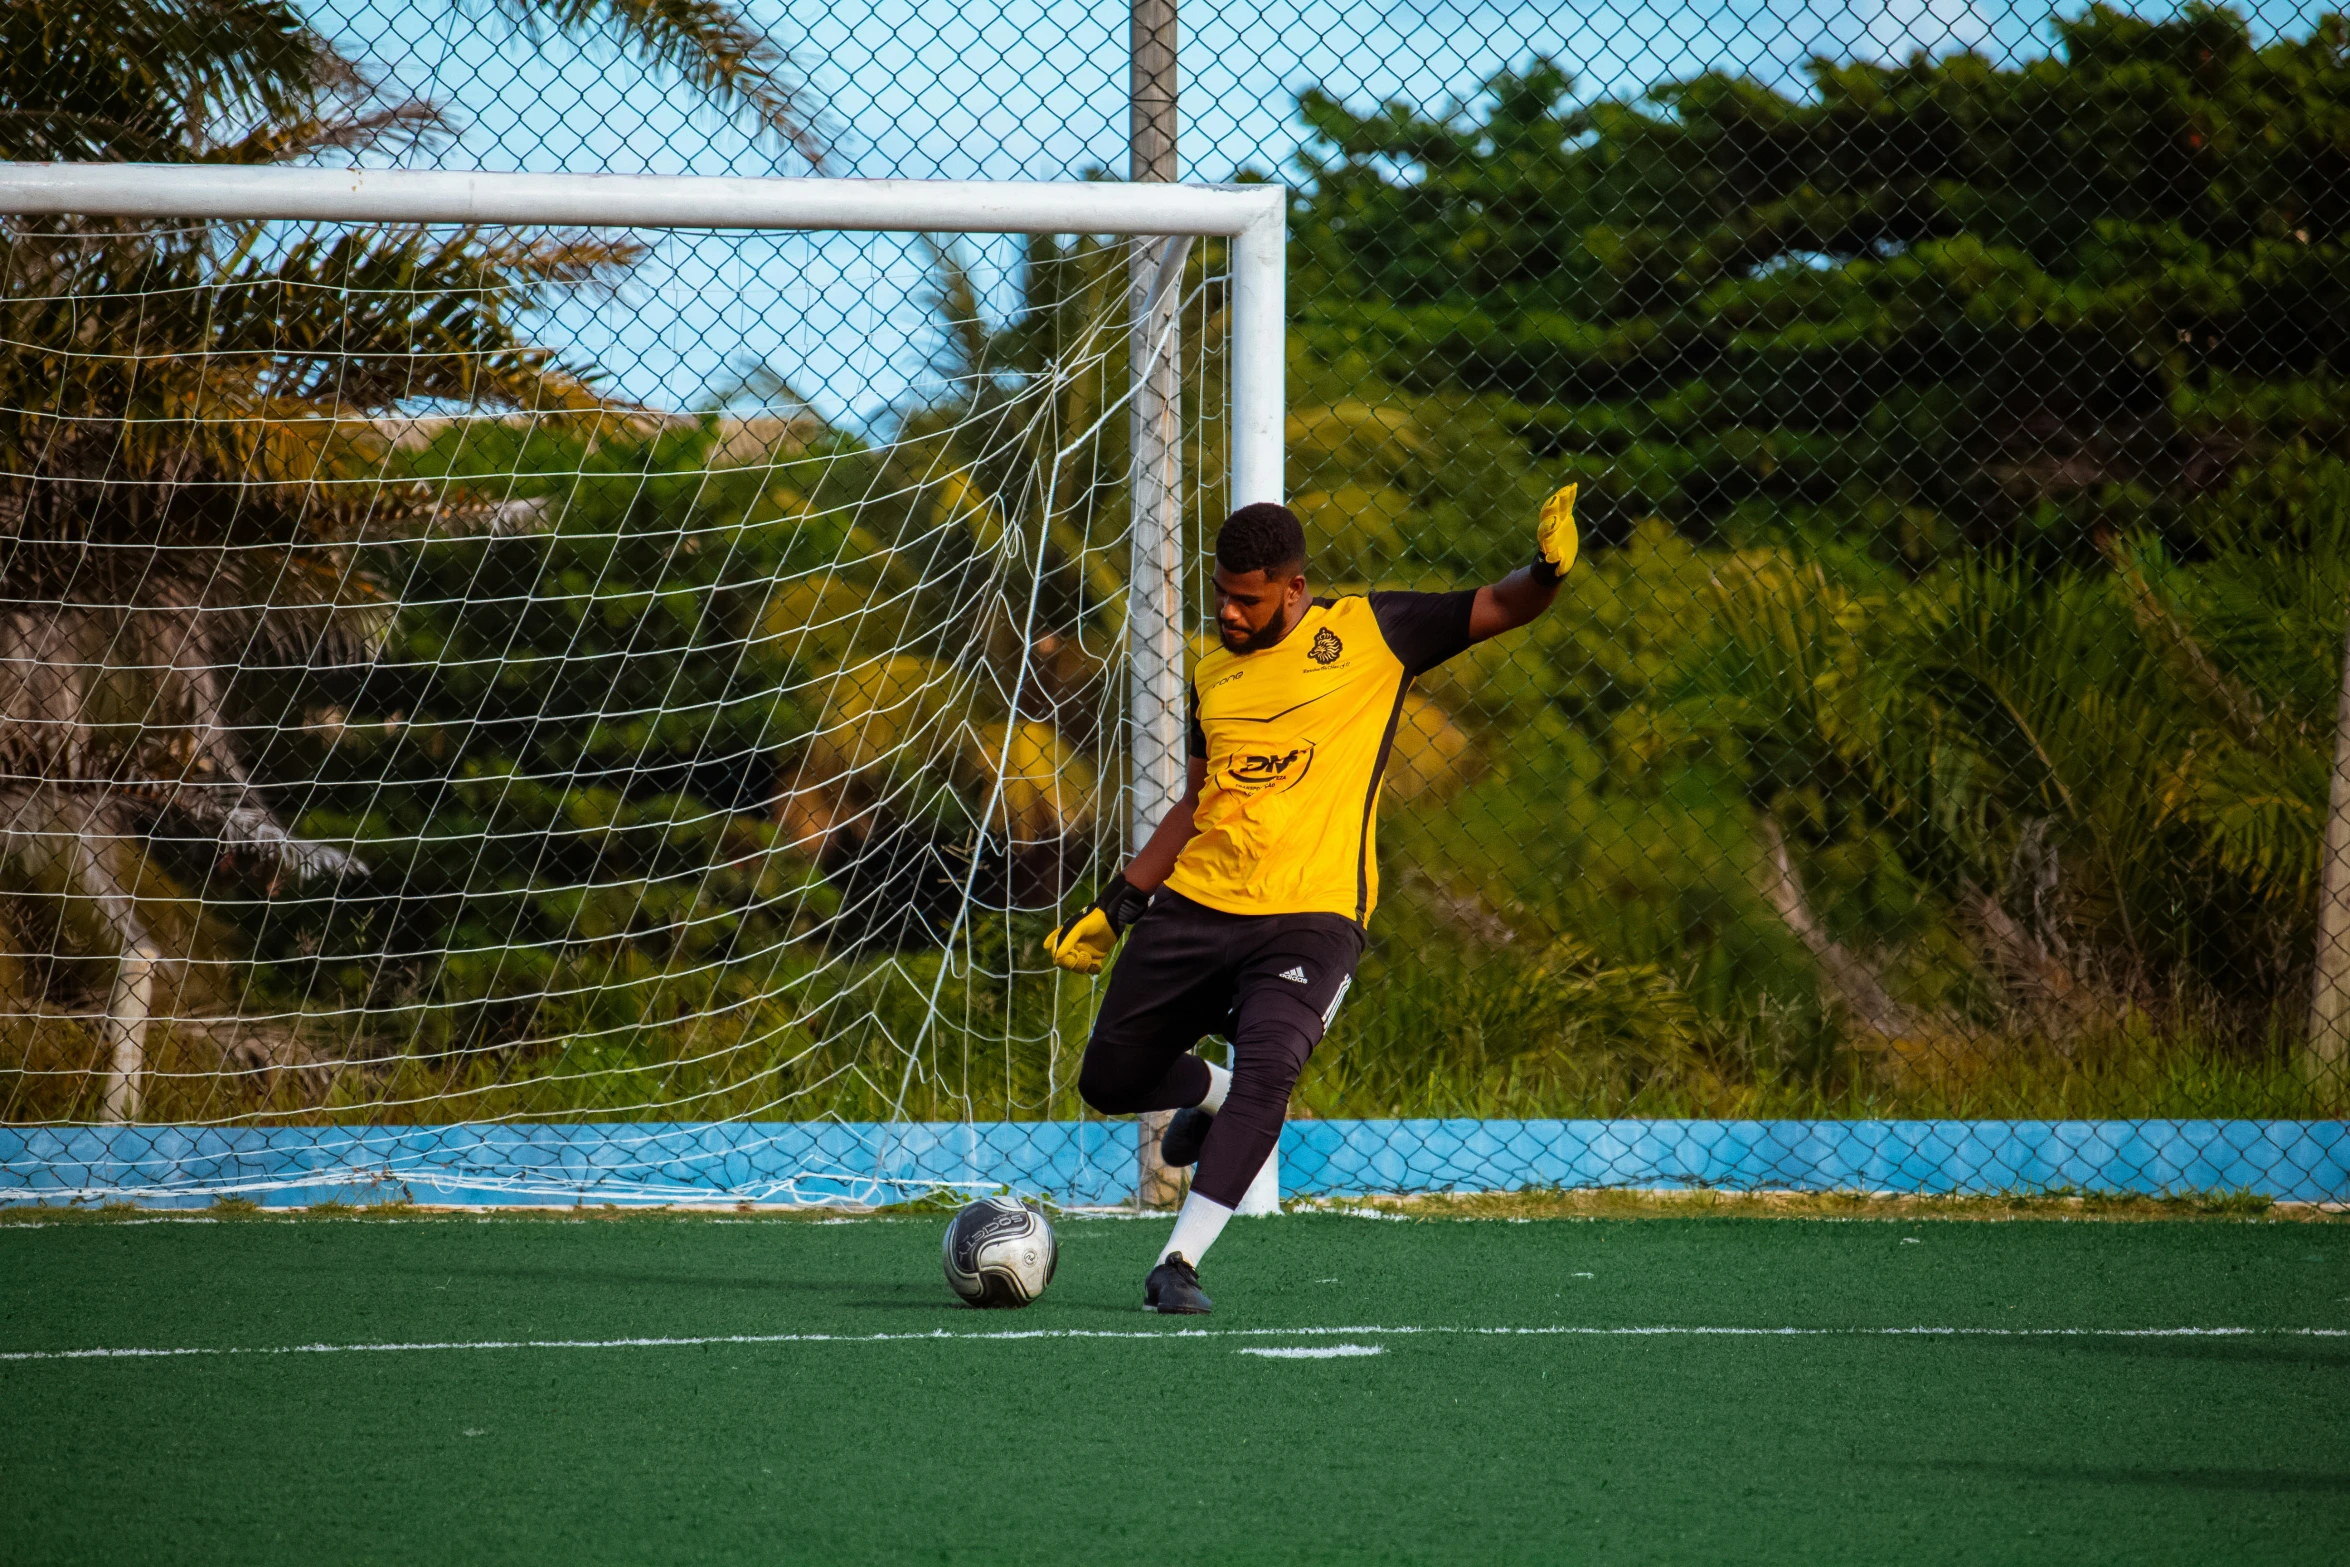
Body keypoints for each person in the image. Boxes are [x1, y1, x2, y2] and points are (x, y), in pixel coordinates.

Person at [1046, 487, 1578, 1313]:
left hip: (1313, 914)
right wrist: (1119, 903)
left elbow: (1503, 604)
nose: (1228, 608)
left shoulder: (1373, 632)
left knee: (1272, 1074)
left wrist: (1547, 568)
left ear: (1293, 589)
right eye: (1219, 591)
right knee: (1110, 1078)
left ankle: (1177, 1263)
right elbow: (1197, 800)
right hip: (1199, 903)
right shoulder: (1210, 665)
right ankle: (1213, 1095)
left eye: (1247, 597)